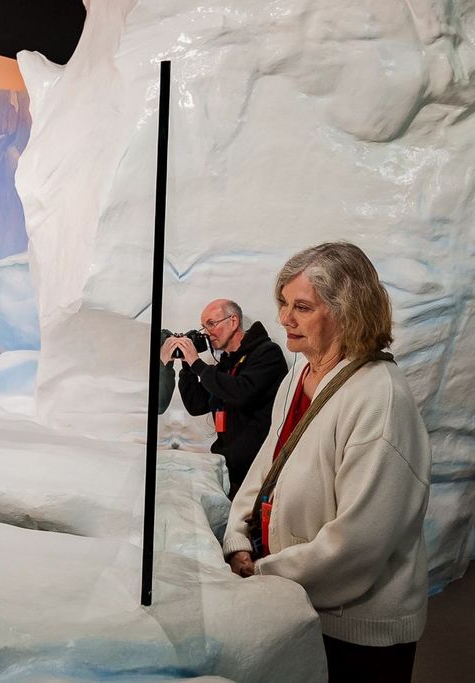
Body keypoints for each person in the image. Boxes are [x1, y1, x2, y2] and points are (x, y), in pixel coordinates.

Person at [223, 242, 430, 682]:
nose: (283, 319)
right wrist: (238, 535)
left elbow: (360, 541)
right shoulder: (301, 373)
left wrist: (264, 571)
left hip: (355, 630)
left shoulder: (379, 397)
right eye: (283, 303)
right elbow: (268, 463)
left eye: (301, 307)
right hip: (297, 604)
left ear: (347, 312)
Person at [161, 299, 288, 498]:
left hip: (257, 470)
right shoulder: (226, 364)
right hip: (228, 468)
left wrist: (198, 364)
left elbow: (241, 393)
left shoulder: (267, 353)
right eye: (203, 326)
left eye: (211, 324)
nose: (206, 332)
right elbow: (197, 405)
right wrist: (187, 366)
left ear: (233, 321)